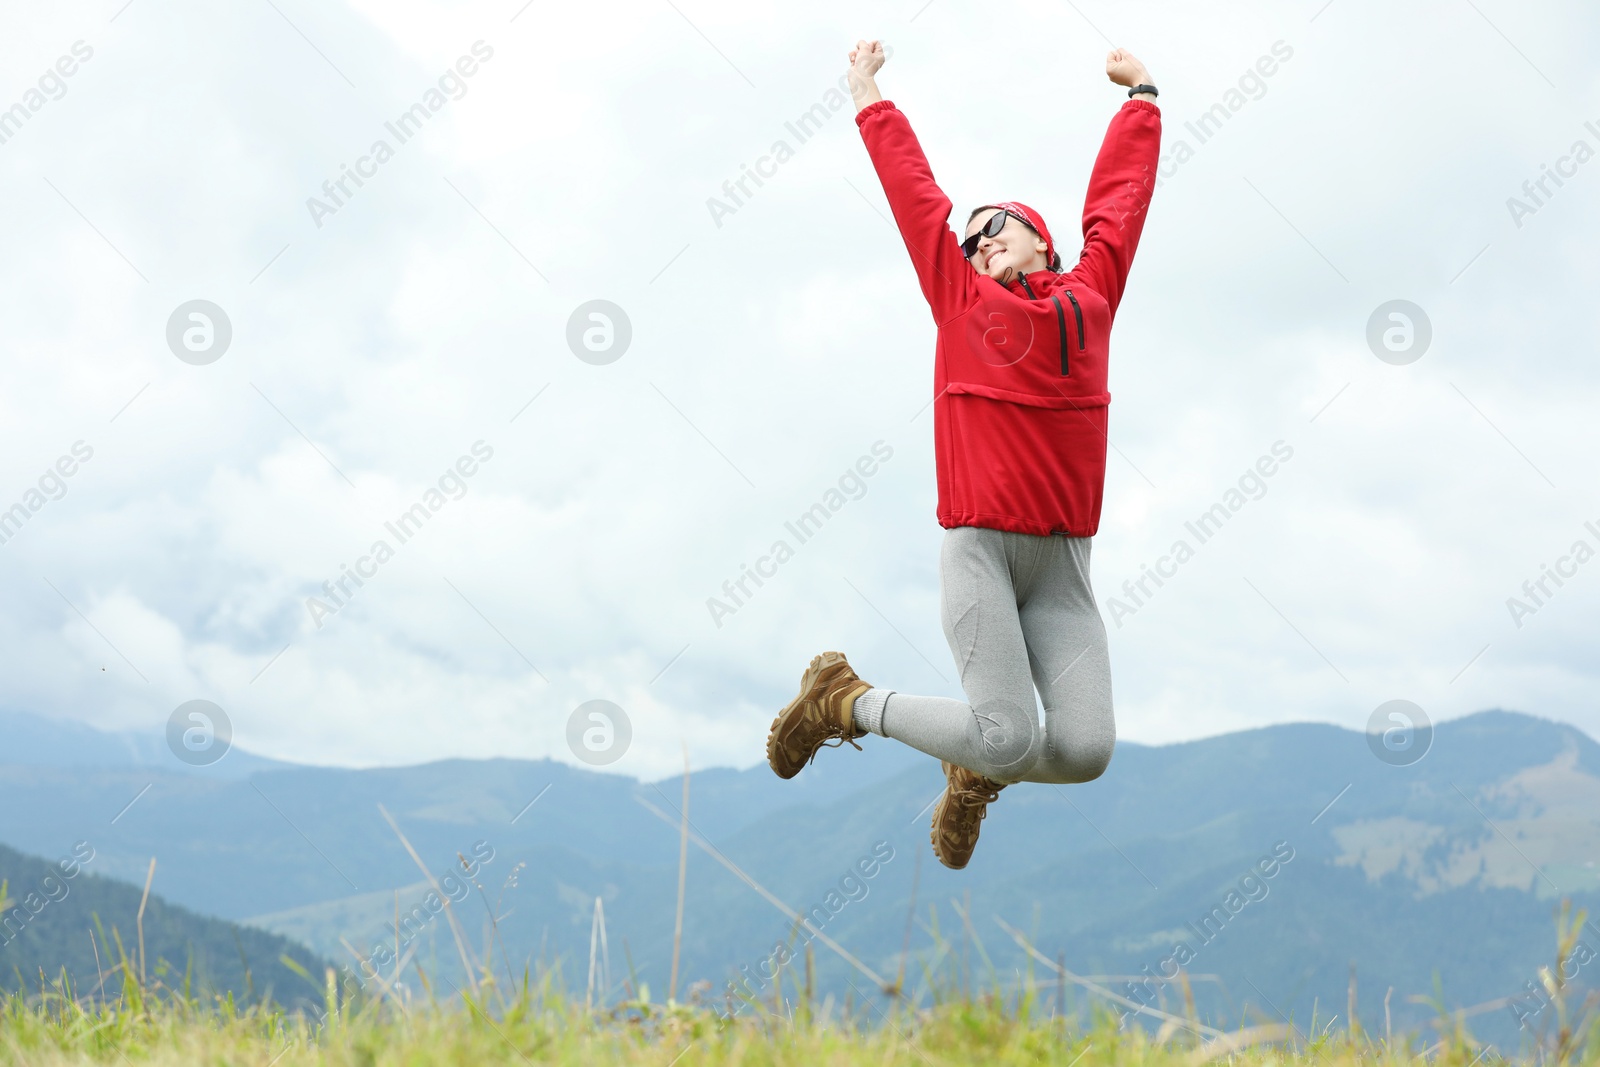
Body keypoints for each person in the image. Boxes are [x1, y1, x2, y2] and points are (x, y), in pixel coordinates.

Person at [766, 39, 1161, 869]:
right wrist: (869, 94)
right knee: (1009, 733)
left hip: (1063, 570)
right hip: (981, 547)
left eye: (998, 227)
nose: (980, 239)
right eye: (971, 234)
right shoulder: (961, 299)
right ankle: (844, 700)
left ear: (1044, 243)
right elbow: (916, 200)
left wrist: (1143, 100)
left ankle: (972, 769)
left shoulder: (1093, 297)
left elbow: (1119, 206)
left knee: (1085, 751)